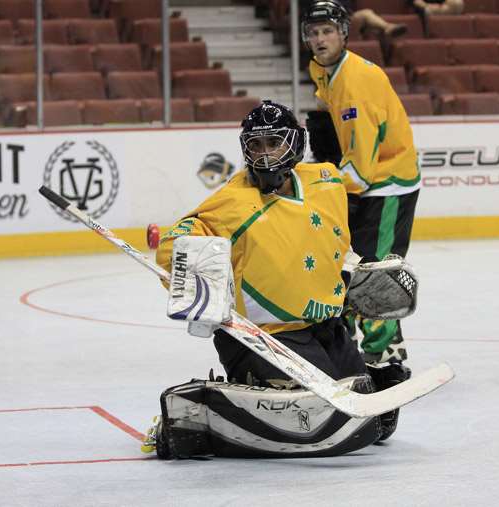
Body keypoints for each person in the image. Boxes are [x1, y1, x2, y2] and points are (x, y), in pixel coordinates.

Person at [144, 101, 407, 459]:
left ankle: (359, 378)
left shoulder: (326, 182)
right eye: (256, 145)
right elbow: (178, 242)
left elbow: (334, 240)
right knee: (321, 413)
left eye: (274, 142)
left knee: (368, 417)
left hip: (325, 327)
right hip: (262, 337)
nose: (265, 154)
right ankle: (198, 414)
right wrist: (194, 276)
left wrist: (358, 272)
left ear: (295, 144)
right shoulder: (230, 203)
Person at [302, 1, 420, 367]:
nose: (320, 40)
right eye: (314, 33)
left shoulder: (356, 85)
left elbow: (360, 172)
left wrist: (311, 178)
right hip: (365, 181)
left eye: (328, 32)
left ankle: (385, 349)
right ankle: (348, 338)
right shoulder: (323, 68)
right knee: (348, 262)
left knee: (375, 269)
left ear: (343, 34)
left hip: (387, 184)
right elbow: (325, 108)